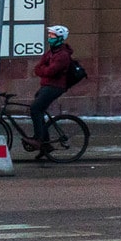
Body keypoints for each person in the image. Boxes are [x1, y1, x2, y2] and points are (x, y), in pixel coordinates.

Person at [30, 26, 78, 158]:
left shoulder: (63, 55)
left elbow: (50, 71)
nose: (49, 37)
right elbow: (38, 68)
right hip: (46, 85)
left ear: (60, 38)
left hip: (55, 87)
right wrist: (43, 70)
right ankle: (46, 145)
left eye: (52, 36)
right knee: (38, 111)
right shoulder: (51, 52)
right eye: (49, 35)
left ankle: (38, 139)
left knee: (35, 109)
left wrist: (43, 70)